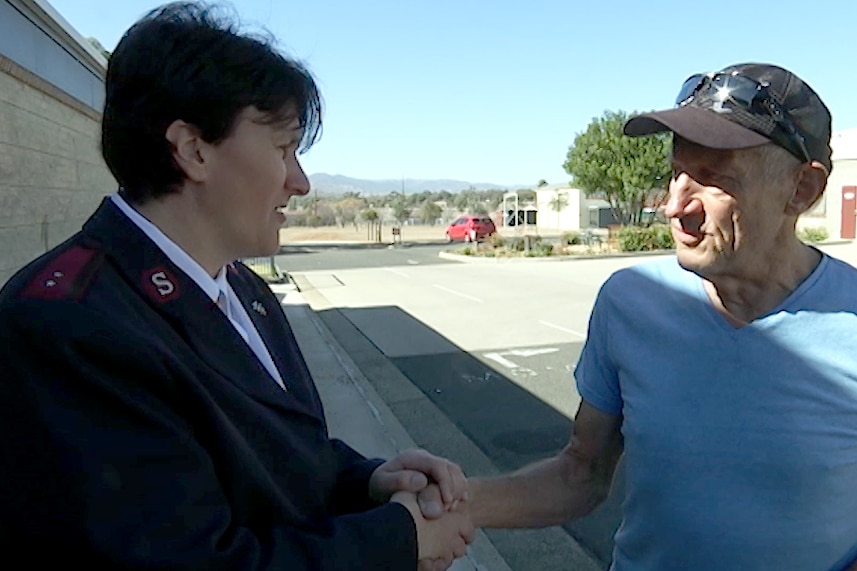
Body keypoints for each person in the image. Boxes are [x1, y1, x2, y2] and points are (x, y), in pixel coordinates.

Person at [0, 2, 472, 568]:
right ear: (194, 150)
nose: (299, 182)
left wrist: (365, 480)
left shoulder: (243, 289)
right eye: (283, 150)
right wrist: (398, 540)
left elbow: (271, 461)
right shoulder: (70, 327)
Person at [450, 63, 857, 570]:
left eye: (712, 180)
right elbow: (581, 472)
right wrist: (449, 507)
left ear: (801, 190)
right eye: (677, 173)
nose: (675, 206)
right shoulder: (630, 301)